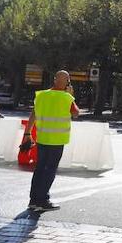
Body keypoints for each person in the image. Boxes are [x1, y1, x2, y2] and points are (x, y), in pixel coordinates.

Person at [23, 70, 80, 213]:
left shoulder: (41, 95)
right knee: (50, 170)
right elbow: (76, 113)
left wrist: (28, 133)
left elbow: (33, 114)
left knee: (40, 168)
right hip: (57, 140)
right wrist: (72, 96)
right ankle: (43, 200)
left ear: (54, 79)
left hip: (42, 138)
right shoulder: (67, 97)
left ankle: (33, 200)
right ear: (67, 82)